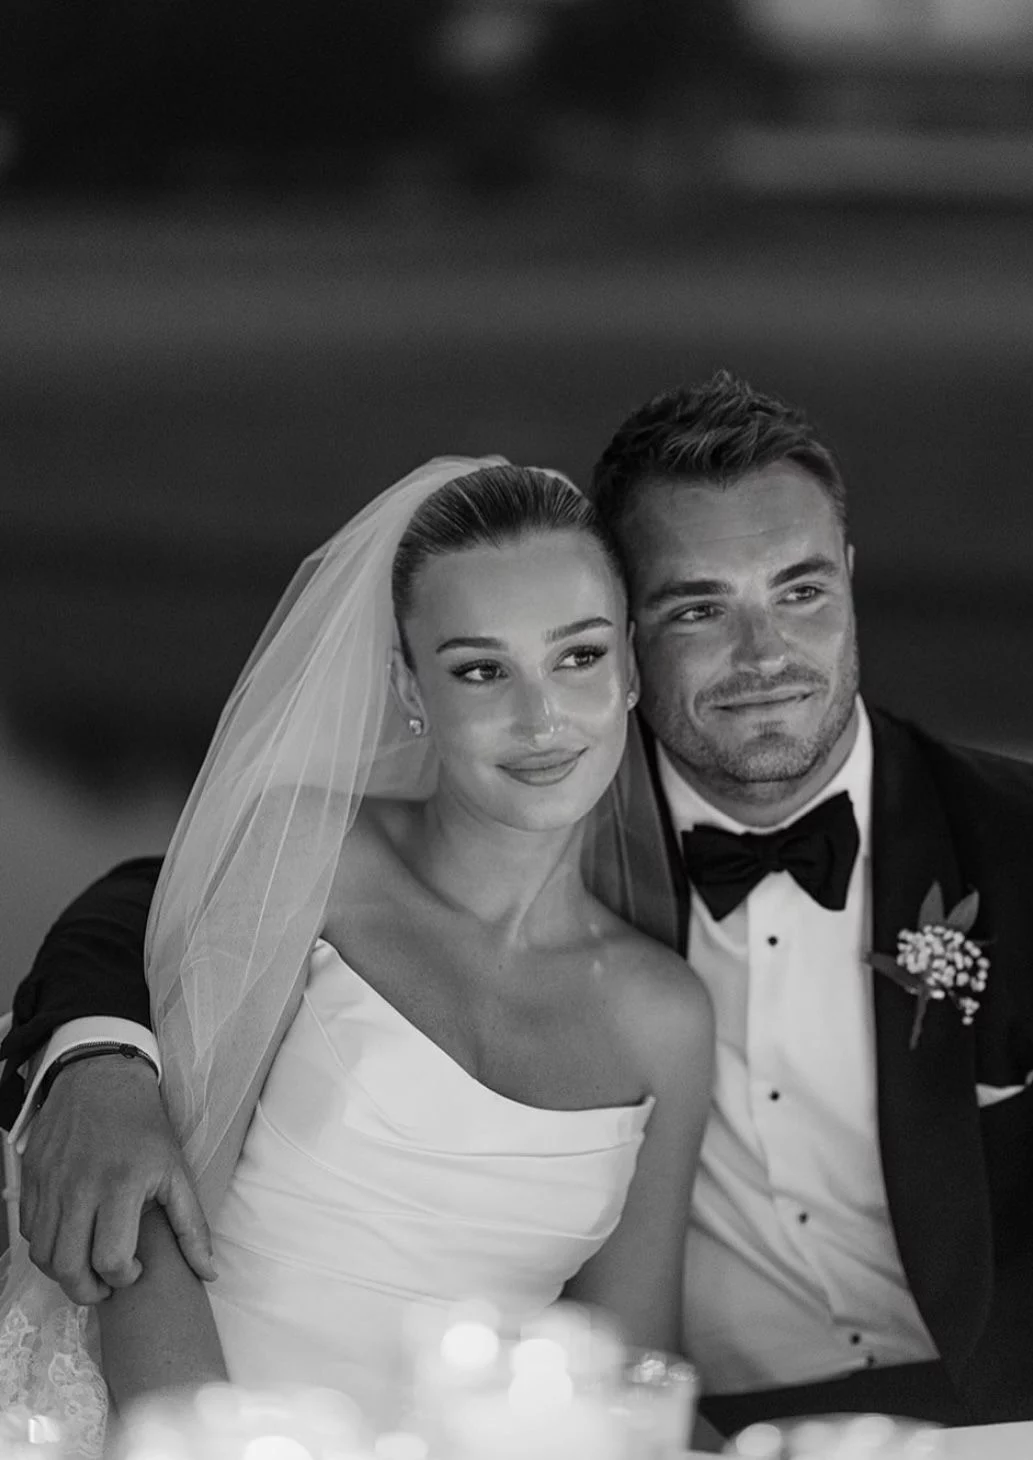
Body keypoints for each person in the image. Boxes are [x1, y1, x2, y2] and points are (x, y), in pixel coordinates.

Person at [5, 373, 1033, 1432]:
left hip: (985, 1421)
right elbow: (150, 906)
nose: (764, 653)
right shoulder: (458, 821)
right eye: (699, 607)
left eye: (800, 589)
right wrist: (99, 1056)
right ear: (641, 641)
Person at [0, 458, 715, 1454]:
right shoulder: (310, 856)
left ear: (632, 669)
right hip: (178, 1420)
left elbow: (627, 1370)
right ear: (408, 690)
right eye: (479, 668)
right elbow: (142, 1233)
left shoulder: (666, 1016)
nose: (540, 716)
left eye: (577, 657)